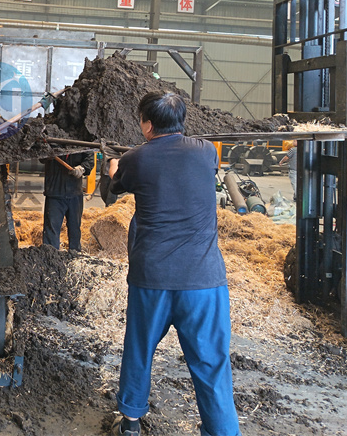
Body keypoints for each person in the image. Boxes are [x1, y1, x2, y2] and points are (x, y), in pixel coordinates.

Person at [106, 92, 241, 436]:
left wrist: (113, 169)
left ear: (147, 125)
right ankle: (223, 431)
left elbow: (115, 189)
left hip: (152, 277)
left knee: (140, 348)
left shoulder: (135, 159)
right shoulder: (206, 151)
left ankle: (131, 422)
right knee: (211, 362)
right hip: (203, 279)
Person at [41, 151, 95, 252]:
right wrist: (48, 153)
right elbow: (41, 156)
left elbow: (89, 158)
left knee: (75, 228)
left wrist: (82, 168)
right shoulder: (53, 144)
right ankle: (50, 255)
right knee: (51, 229)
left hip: (75, 193)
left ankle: (75, 255)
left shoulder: (81, 144)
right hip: (55, 192)